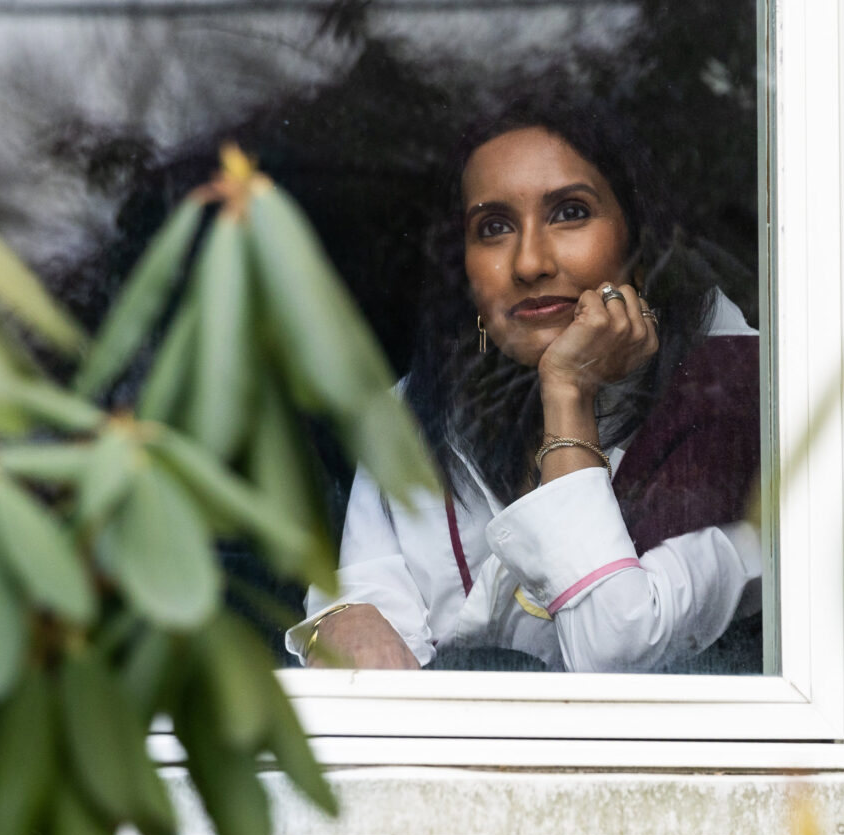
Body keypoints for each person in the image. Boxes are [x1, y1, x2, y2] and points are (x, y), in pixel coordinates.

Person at [287, 98, 763, 673]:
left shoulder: (735, 400)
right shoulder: (417, 414)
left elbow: (610, 648)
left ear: (640, 248)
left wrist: (568, 393)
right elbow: (369, 598)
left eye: (569, 213)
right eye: (493, 227)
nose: (529, 262)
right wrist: (343, 620)